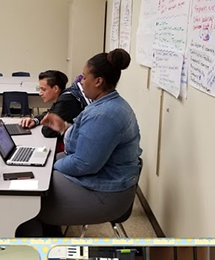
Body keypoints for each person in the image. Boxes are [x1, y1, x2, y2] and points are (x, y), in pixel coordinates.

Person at [19, 49, 141, 236]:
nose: (81, 82)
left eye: (84, 77)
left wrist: (51, 167)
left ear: (98, 81)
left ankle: (44, 248)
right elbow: (85, 141)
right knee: (38, 175)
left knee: (30, 198)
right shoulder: (105, 104)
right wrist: (63, 127)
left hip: (107, 194)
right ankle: (52, 235)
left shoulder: (105, 115)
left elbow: (83, 164)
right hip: (105, 179)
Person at [19, 70, 87, 151]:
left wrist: (44, 121)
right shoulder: (64, 96)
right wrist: (35, 120)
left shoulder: (66, 101)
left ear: (55, 88)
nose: (40, 93)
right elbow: (50, 113)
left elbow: (48, 131)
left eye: (43, 89)